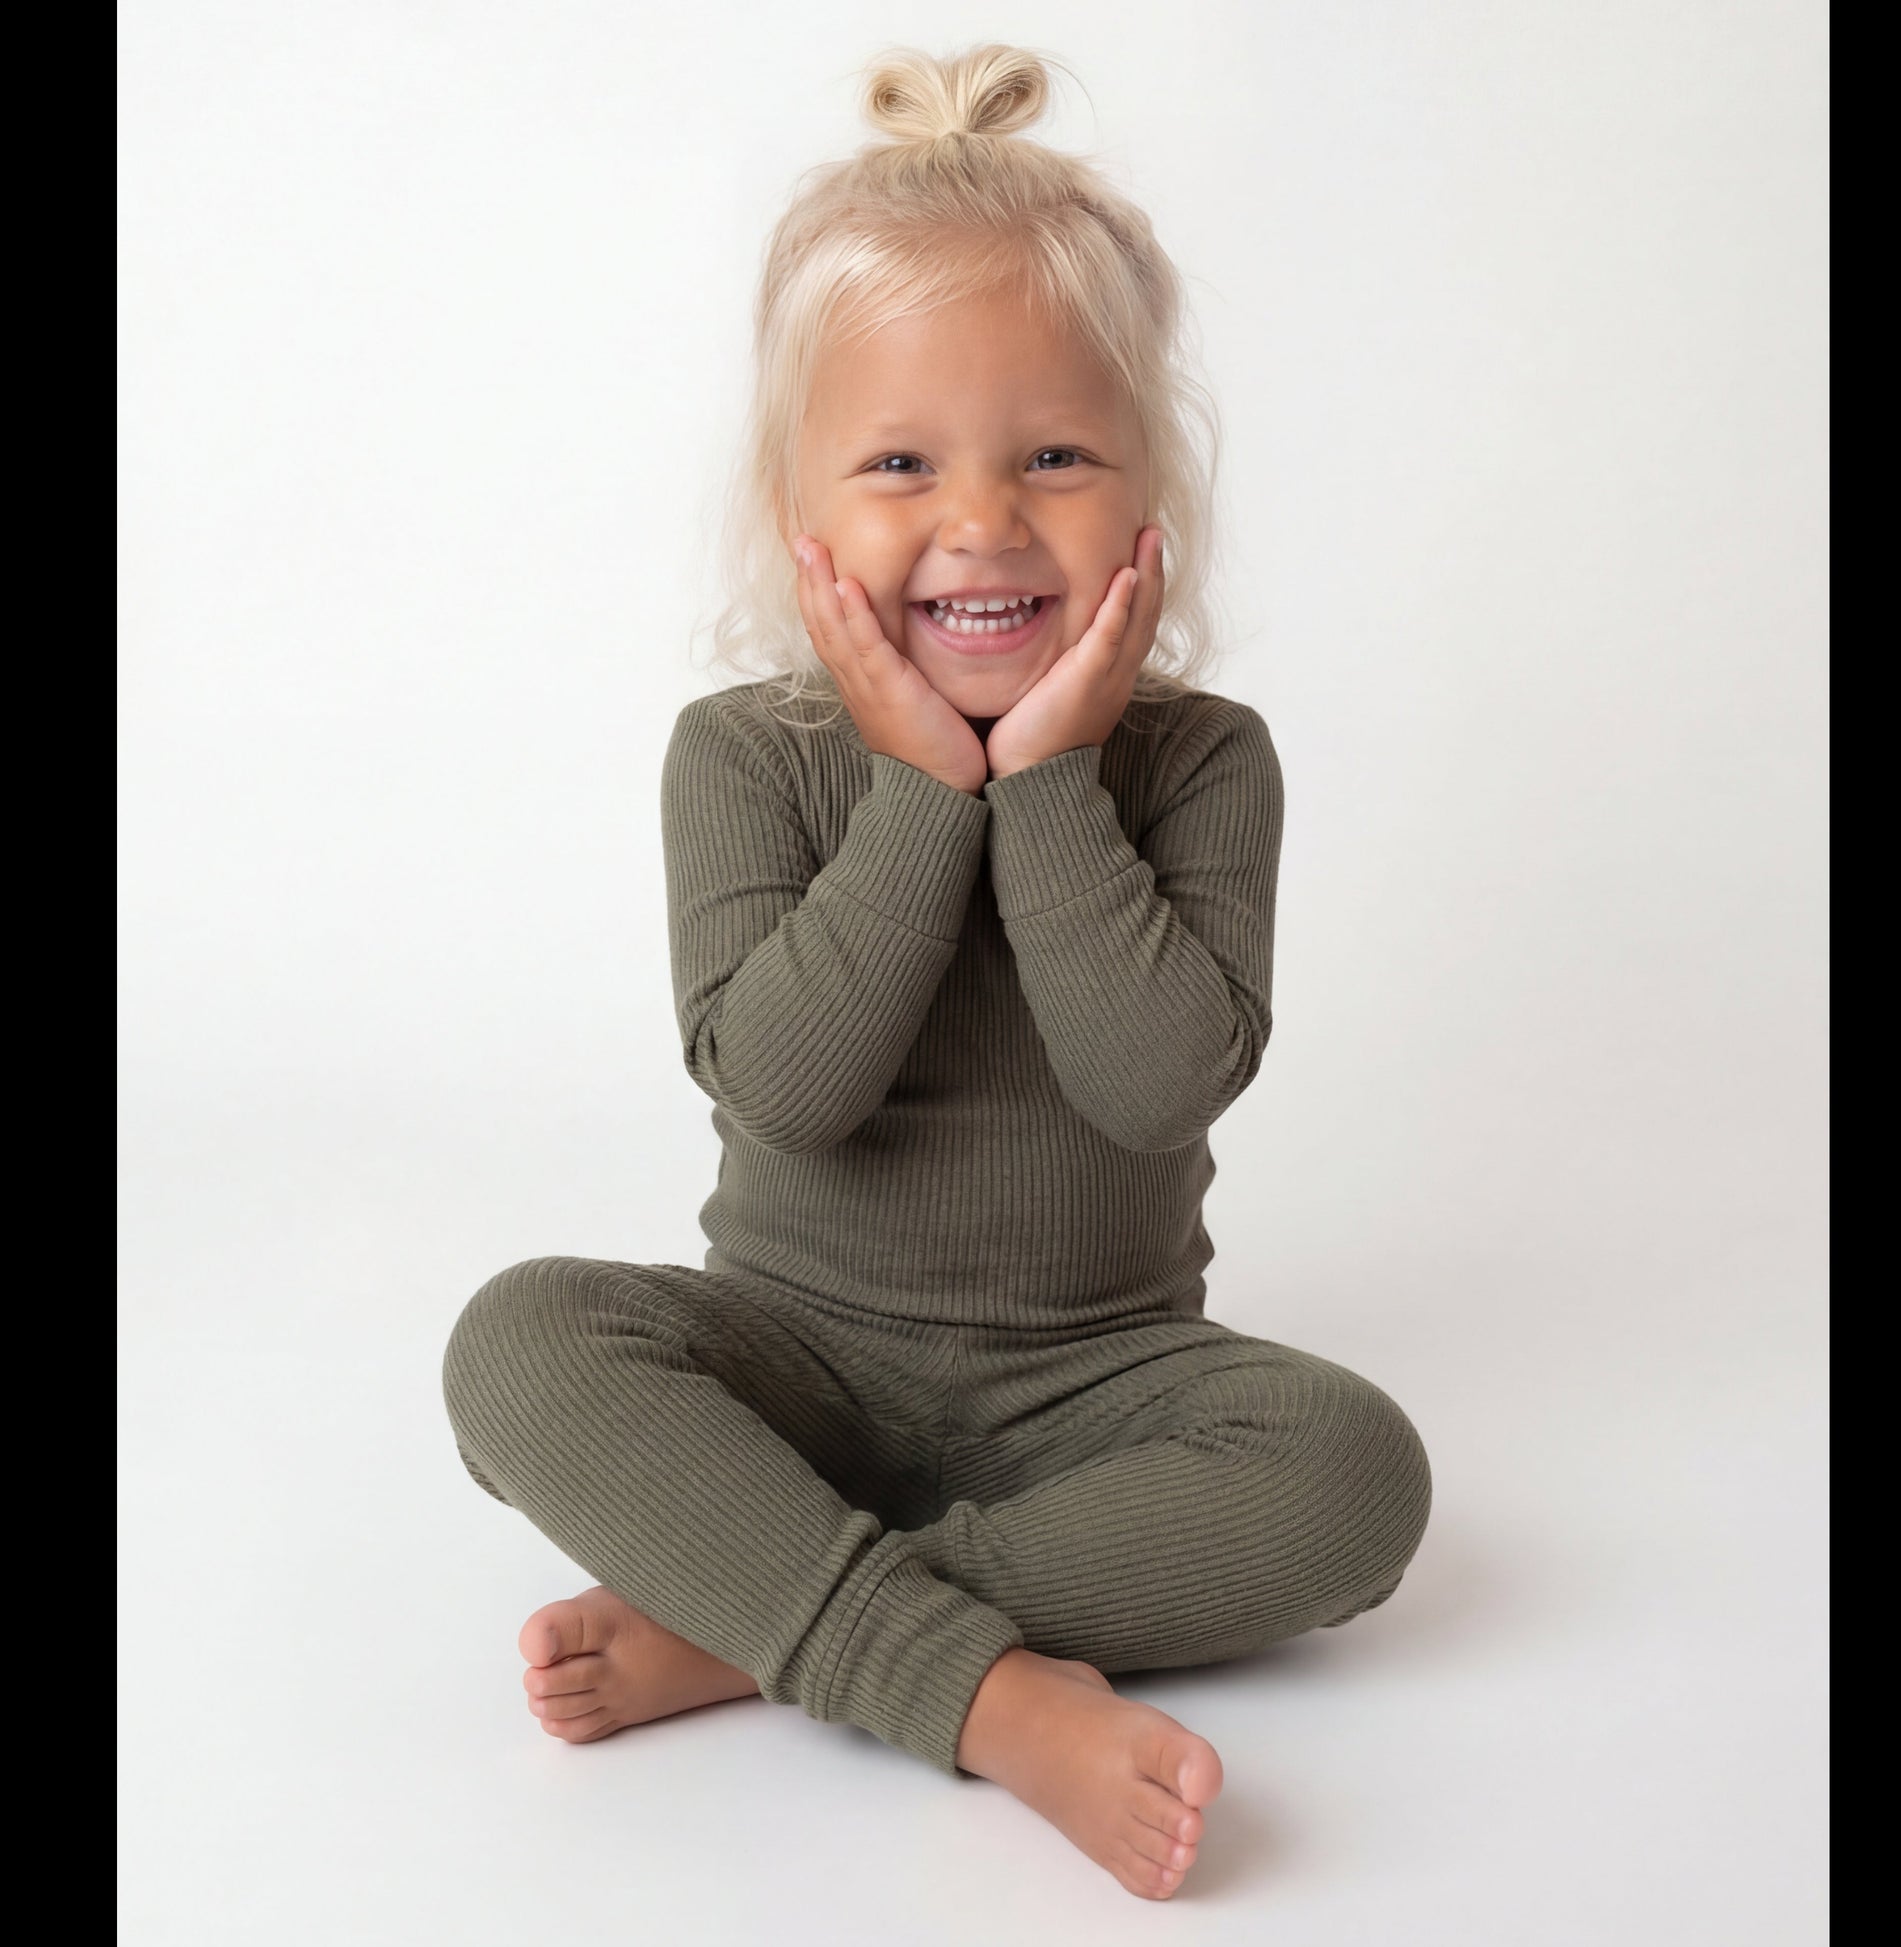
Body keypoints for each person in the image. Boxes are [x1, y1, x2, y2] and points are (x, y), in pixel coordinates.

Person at [442, 42, 1432, 1902]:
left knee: (1355, 1476)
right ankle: (985, 1696)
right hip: (792, 1361)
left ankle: (756, 1617)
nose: (980, 524)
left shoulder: (1202, 763)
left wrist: (1048, 784)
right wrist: (917, 792)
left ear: (1154, 493)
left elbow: (1156, 1084)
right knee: (519, 1337)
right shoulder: (746, 757)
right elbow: (784, 1089)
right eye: (901, 463)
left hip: (1100, 1378)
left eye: (1053, 457)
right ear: (796, 505)